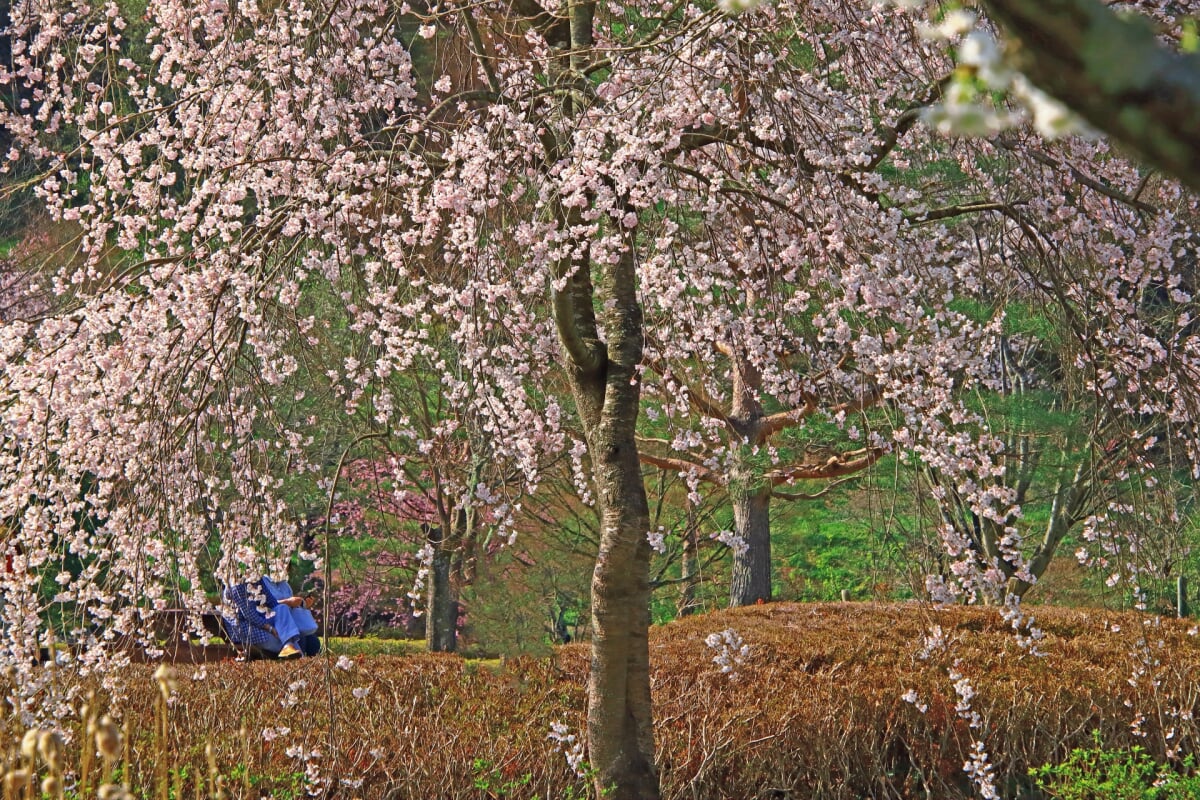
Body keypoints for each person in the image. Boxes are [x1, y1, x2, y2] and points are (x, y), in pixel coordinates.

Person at [221, 576, 320, 659]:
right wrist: (269, 627)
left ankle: (288, 646)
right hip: (245, 627)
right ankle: (295, 655)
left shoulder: (257, 578)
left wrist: (294, 603)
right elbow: (249, 615)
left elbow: (272, 602)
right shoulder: (236, 585)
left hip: (262, 619)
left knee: (281, 608)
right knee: (284, 639)